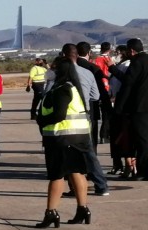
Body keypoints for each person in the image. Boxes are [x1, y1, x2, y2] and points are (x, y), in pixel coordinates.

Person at [34, 57, 92, 228]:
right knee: (76, 172)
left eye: (52, 67)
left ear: (60, 70)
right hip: (77, 137)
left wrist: (42, 120)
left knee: (56, 175)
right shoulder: (72, 88)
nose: (49, 70)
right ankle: (83, 209)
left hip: (62, 137)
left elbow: (59, 115)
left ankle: (51, 212)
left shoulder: (62, 90)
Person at [61, 44, 109, 196]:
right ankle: (101, 185)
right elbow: (96, 96)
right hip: (84, 117)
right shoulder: (88, 72)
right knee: (88, 153)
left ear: (63, 55)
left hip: (65, 119)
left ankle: (75, 187)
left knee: (67, 155)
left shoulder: (60, 73)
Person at [113, 38, 148, 181]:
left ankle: (143, 171)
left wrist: (119, 107)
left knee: (141, 140)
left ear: (132, 51)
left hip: (139, 107)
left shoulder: (137, 62)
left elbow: (128, 83)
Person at [93, 42, 114, 141]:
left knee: (95, 113)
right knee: (107, 113)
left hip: (97, 87)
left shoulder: (95, 60)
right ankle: (104, 135)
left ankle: (97, 135)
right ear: (109, 49)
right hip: (107, 87)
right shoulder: (110, 60)